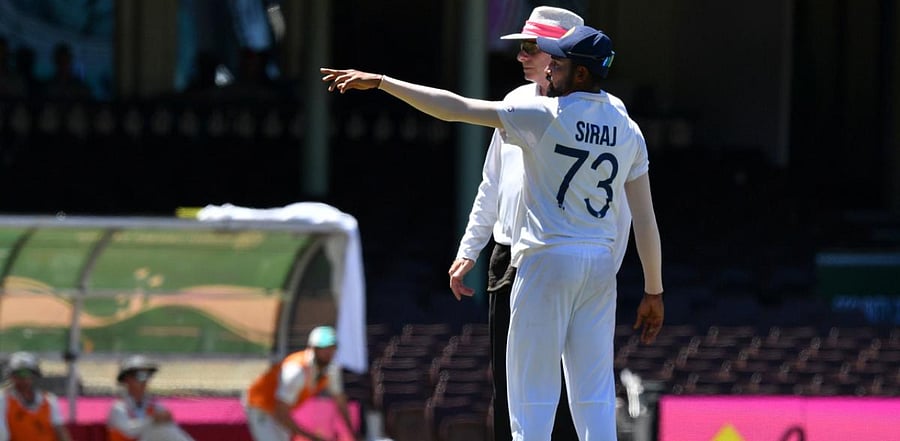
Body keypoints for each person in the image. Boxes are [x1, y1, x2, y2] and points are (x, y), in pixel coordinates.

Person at [321, 24, 664, 441]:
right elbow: (645, 219)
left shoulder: (544, 115)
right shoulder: (627, 127)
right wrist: (653, 290)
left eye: (558, 62)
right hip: (598, 265)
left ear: (581, 74)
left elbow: (455, 108)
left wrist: (383, 82)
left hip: (546, 261)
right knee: (593, 396)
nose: (549, 67)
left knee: (531, 397)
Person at [446, 6, 625, 441]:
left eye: (532, 47)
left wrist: (606, 268)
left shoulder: (607, 112)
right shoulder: (514, 103)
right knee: (514, 390)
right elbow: (492, 184)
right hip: (512, 257)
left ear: (562, 55)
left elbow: (621, 205)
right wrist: (470, 248)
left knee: (572, 390)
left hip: (561, 258)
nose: (522, 56)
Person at [244, 325, 360, 441]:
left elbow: (340, 400)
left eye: (332, 347)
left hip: (280, 410)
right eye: (324, 348)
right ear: (312, 348)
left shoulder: (331, 369)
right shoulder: (296, 371)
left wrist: (353, 433)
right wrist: (312, 437)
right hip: (260, 405)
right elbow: (281, 413)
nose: (329, 352)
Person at [107, 355, 194, 441]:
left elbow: (173, 430)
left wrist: (165, 419)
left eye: (147, 375)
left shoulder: (155, 406)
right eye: (139, 375)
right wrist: (152, 420)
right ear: (127, 378)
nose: (144, 380)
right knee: (161, 429)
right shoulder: (118, 408)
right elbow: (130, 431)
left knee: (166, 427)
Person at [0, 351, 72, 441]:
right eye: (19, 374)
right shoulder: (4, 400)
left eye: (27, 373)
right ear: (11, 376)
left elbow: (60, 430)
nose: (23, 378)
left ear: (34, 375)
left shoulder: (49, 400)